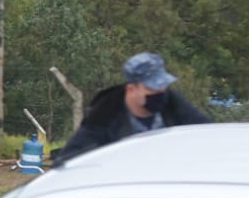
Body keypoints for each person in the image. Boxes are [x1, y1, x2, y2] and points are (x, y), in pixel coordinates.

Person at [54, 51, 211, 167]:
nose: (160, 93)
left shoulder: (174, 104)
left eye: (163, 87)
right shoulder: (103, 115)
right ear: (131, 89)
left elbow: (207, 137)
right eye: (152, 89)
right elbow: (68, 161)